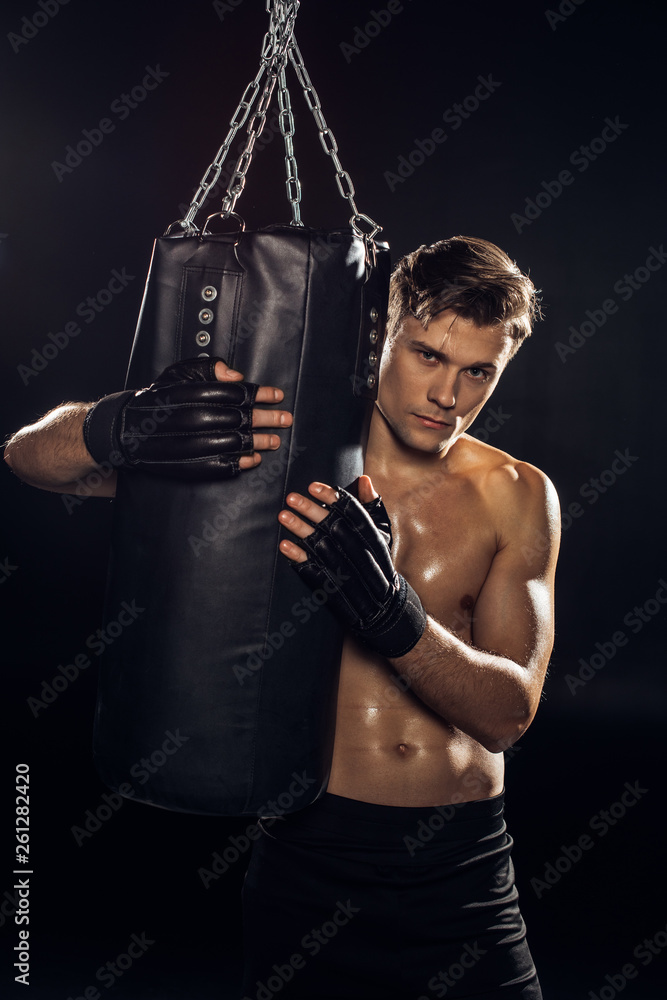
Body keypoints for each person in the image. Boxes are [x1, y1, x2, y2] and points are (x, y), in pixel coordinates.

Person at [5, 236, 559, 999]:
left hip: (460, 876)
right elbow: (28, 459)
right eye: (427, 356)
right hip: (309, 865)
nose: (448, 396)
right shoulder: (275, 453)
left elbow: (507, 715)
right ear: (380, 337)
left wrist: (391, 613)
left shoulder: (515, 492)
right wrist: (122, 421)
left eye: (477, 372)